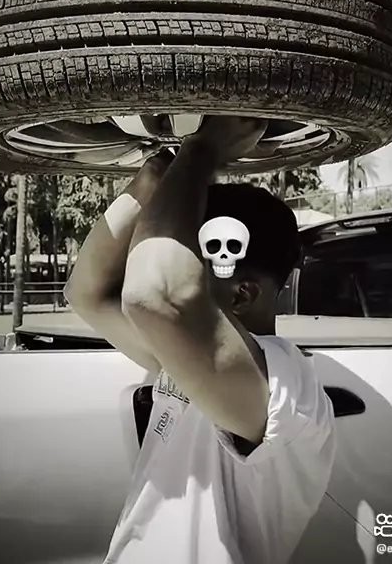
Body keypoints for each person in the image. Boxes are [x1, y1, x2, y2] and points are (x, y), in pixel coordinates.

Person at [65, 116, 336, 564]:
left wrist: (204, 149)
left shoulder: (287, 387)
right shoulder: (190, 357)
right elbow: (86, 293)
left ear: (240, 293)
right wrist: (155, 176)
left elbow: (154, 295)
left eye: (190, 257)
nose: (166, 258)